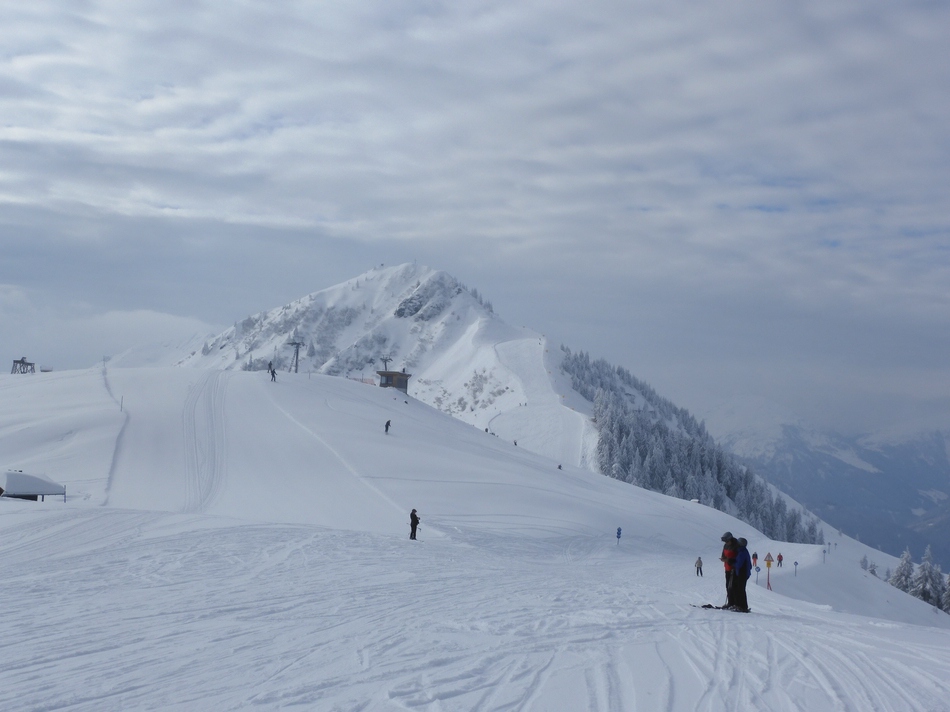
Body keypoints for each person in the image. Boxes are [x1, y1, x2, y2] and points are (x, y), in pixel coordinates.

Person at [730, 538, 752, 612]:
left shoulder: (741, 552)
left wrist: (732, 563)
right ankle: (741, 606)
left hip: (742, 574)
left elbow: (739, 564)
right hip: (744, 573)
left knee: (739, 589)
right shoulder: (744, 551)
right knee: (740, 589)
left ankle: (741, 606)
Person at [720, 531, 738, 607]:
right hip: (727, 568)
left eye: (727, 541)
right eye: (725, 541)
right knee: (728, 585)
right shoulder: (725, 546)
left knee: (733, 586)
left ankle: (733, 603)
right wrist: (723, 558)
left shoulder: (736, 546)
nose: (726, 543)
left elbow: (737, 559)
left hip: (733, 569)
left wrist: (728, 560)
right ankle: (730, 603)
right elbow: (723, 554)